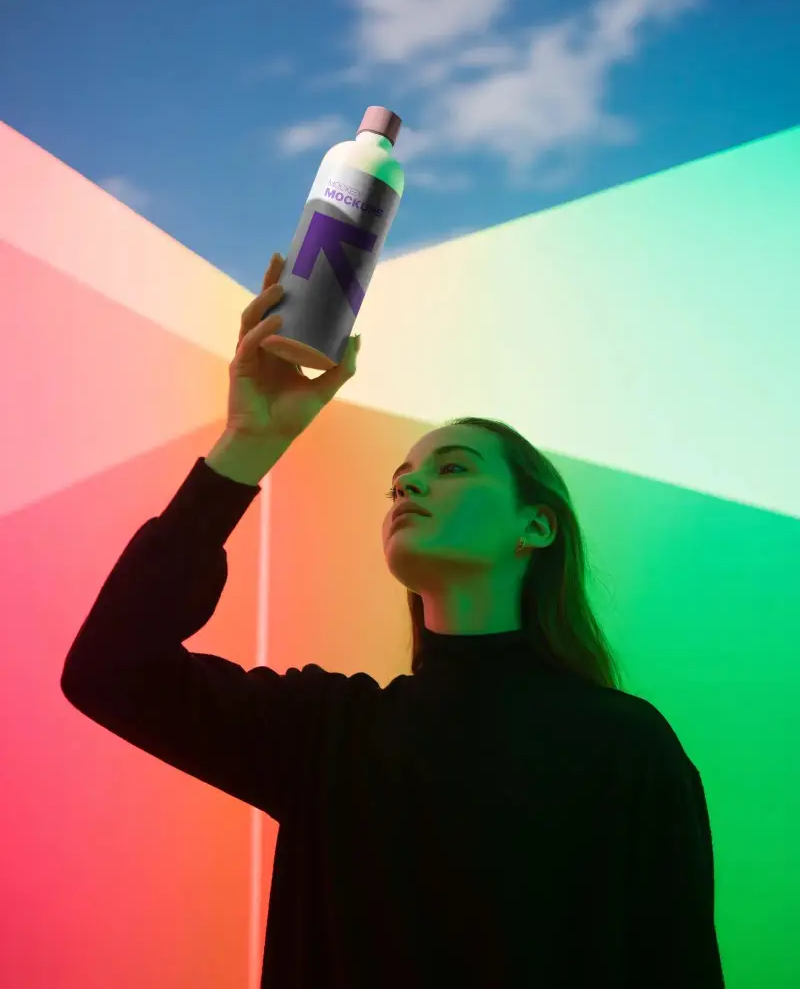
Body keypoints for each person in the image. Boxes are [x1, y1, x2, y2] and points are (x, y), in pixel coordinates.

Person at [61, 254, 725, 988]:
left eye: (453, 468)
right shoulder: (327, 734)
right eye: (402, 478)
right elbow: (111, 669)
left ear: (536, 526)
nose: (410, 482)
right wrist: (249, 443)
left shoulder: (630, 748)